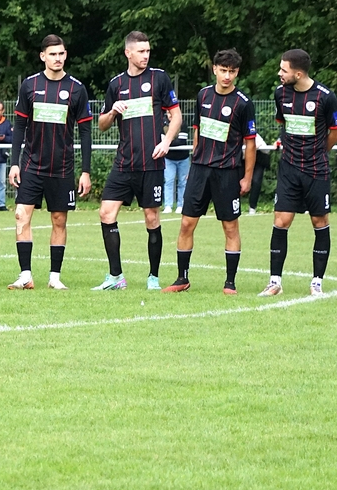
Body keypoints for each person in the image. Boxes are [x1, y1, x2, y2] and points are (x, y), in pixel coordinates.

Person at [162, 49, 257, 295]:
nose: (227, 76)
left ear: (237, 73)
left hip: (227, 173)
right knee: (186, 223)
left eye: (232, 72)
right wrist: (195, 163)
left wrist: (246, 177)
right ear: (214, 69)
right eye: (223, 70)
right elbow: (198, 129)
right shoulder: (203, 95)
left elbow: (250, 143)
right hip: (200, 170)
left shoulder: (243, 103)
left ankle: (230, 283)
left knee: (230, 227)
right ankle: (182, 278)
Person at [94, 31, 182, 291]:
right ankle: (115, 277)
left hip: (151, 163)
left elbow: (176, 115)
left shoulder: (159, 78)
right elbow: (102, 125)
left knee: (152, 218)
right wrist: (113, 111)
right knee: (106, 213)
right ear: (128, 53)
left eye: (148, 51)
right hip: (124, 162)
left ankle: (153, 277)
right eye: (141, 51)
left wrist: (166, 141)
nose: (146, 55)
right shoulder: (116, 84)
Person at [7, 35, 93, 290]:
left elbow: (85, 132)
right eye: (53, 54)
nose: (58, 58)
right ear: (43, 56)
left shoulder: (76, 89)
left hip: (62, 167)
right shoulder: (29, 85)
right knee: (21, 215)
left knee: (59, 220)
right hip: (31, 165)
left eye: (61, 54)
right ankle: (25, 275)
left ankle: (54, 277)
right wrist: (14, 163)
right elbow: (19, 126)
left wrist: (85, 171)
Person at [259, 49, 337, 297]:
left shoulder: (326, 97)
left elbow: (334, 132)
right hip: (289, 168)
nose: (279, 73)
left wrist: (319, 152)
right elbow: (283, 124)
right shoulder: (280, 93)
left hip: (316, 169)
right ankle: (274, 282)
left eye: (284, 70)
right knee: (281, 221)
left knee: (319, 222)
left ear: (299, 73)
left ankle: (317, 282)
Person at [162, 113, 190, 214]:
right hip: (168, 159)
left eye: (171, 112)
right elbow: (162, 141)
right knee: (168, 181)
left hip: (183, 158)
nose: (170, 115)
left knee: (183, 182)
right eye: (168, 112)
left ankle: (181, 205)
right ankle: (168, 206)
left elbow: (181, 141)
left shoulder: (183, 123)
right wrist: (169, 141)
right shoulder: (162, 124)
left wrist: (168, 141)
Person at [246, 133, 275, 214]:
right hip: (241, 162)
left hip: (258, 161)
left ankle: (252, 207)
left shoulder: (254, 136)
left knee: (256, 181)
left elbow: (266, 150)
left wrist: (256, 147)